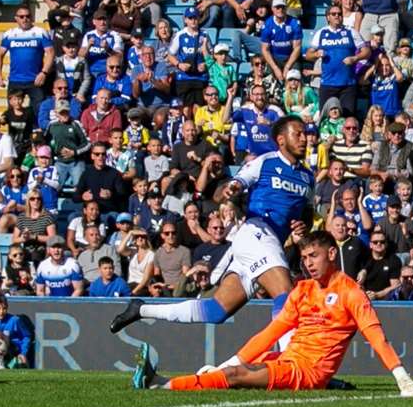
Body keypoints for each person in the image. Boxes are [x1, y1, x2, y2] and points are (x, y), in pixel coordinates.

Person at [131, 230, 413, 396]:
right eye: (305, 257)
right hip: (287, 359)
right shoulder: (303, 289)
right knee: (238, 367)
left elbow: (376, 336)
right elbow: (271, 333)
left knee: (234, 375)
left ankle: (161, 385)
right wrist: (228, 360)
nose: (308, 263)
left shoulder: (351, 292)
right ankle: (158, 380)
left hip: (307, 373)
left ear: (332, 254)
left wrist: (403, 378)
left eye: (314, 256)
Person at [110, 116, 312, 357]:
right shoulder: (265, 162)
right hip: (257, 232)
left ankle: (141, 309)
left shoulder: (307, 177)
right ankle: (292, 363)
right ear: (281, 140)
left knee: (216, 311)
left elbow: (307, 214)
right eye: (297, 134)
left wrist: (303, 225)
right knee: (285, 293)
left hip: (267, 243)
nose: (304, 138)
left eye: (305, 134)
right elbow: (238, 182)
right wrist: (233, 188)